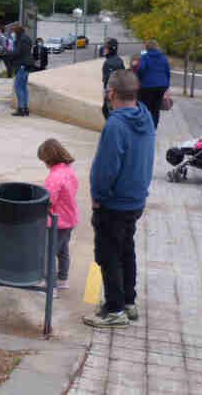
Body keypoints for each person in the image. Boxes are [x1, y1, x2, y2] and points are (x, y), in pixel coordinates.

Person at [84, 70, 155, 328]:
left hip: (114, 202)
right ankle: (128, 301)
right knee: (126, 250)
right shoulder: (144, 115)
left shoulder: (115, 124)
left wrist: (97, 197)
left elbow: (106, 168)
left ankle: (115, 310)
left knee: (108, 255)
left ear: (111, 93)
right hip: (135, 199)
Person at [39, 139, 79, 290]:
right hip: (69, 219)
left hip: (56, 221)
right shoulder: (68, 171)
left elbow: (48, 200)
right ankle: (63, 278)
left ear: (50, 159)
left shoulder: (54, 177)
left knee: (49, 252)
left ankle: (50, 286)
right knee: (63, 250)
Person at [136, 40, 171, 128]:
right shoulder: (163, 57)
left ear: (147, 48)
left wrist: (139, 79)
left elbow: (141, 69)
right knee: (156, 108)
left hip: (147, 86)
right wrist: (166, 86)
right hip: (161, 86)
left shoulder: (145, 57)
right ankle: (153, 127)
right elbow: (167, 72)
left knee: (146, 107)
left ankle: (145, 125)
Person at [9, 25, 35, 117]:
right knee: (23, 87)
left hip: (22, 65)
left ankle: (21, 109)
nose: (12, 34)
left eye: (13, 32)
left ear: (17, 32)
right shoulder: (27, 39)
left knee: (18, 87)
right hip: (27, 65)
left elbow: (17, 53)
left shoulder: (21, 40)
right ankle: (25, 108)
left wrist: (8, 52)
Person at [101, 39, 126, 120]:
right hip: (120, 91)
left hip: (112, 92)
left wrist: (107, 94)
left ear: (110, 49)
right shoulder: (120, 60)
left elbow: (107, 81)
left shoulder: (108, 63)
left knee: (107, 111)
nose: (104, 50)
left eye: (106, 48)